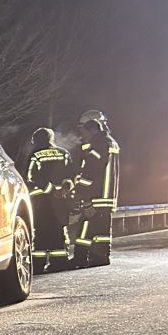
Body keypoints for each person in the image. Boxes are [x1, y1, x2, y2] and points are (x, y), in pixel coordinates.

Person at [71, 110, 121, 267]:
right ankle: (91, 257)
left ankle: (90, 258)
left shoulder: (98, 144)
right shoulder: (110, 142)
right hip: (106, 196)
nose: (81, 133)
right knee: (96, 228)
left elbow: (91, 171)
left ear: (92, 128)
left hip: (96, 195)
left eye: (83, 129)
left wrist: (81, 193)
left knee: (92, 227)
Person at [24, 128, 75, 272]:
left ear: (35, 140)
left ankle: (38, 264)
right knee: (59, 229)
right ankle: (59, 262)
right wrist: (64, 189)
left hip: (40, 201)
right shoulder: (64, 153)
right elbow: (72, 175)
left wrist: (51, 190)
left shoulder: (35, 155)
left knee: (40, 231)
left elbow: (30, 177)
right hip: (61, 201)